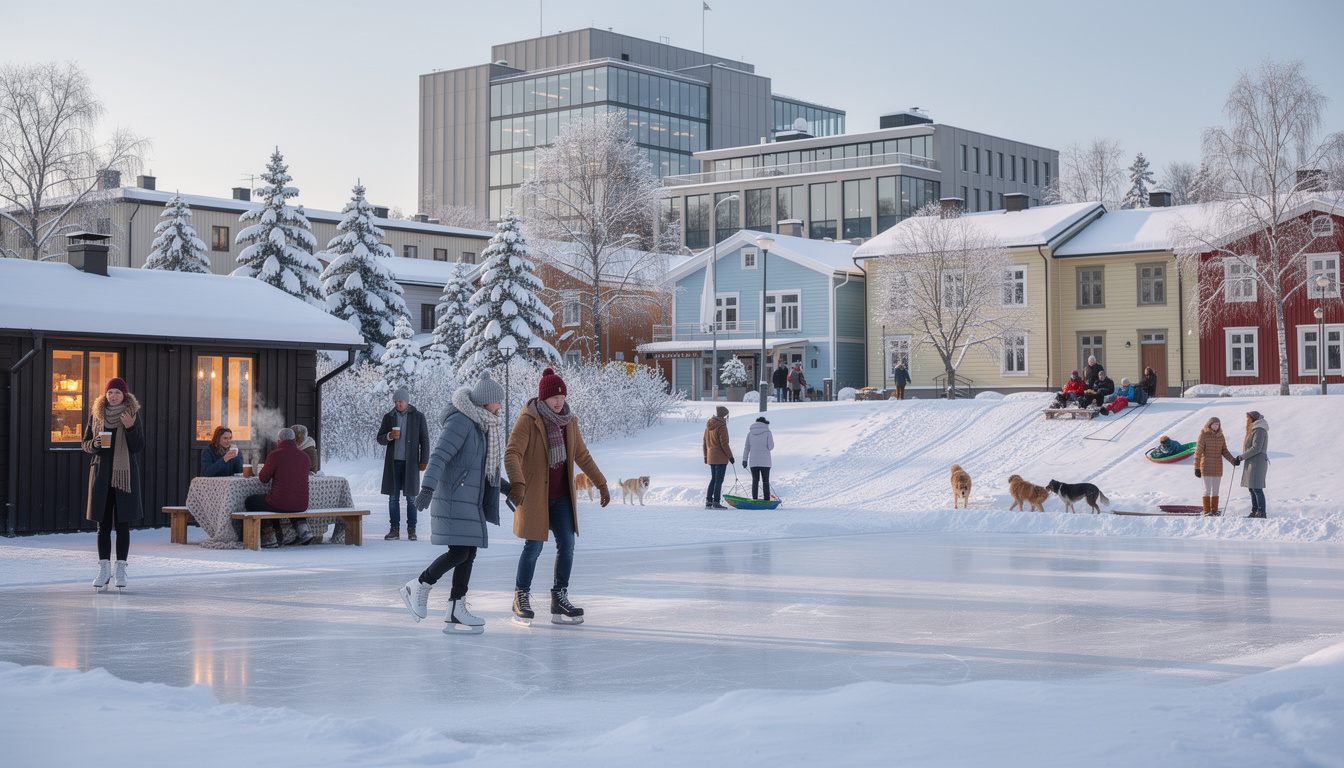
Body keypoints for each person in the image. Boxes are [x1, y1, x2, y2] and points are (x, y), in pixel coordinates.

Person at [401, 373, 509, 634]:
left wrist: (507, 489)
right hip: (453, 497)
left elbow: (482, 470)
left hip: (467, 500)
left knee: (468, 552)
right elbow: (439, 455)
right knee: (460, 552)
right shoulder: (462, 421)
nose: (500, 407)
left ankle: (455, 607)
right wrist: (427, 488)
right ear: (486, 402)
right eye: (498, 402)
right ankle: (418, 585)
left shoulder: (482, 427)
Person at [504, 367, 609, 625]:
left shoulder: (569, 422)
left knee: (568, 545)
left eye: (562, 396)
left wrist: (601, 483)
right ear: (544, 398)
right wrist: (517, 482)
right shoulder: (529, 420)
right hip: (535, 496)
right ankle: (521, 596)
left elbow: (582, 455)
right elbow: (512, 453)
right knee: (533, 547)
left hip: (561, 497)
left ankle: (559, 597)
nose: (559, 401)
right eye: (554, 397)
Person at [83, 377, 144, 589]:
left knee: (123, 525)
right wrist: (95, 443)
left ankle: (120, 570)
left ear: (124, 395)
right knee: (103, 526)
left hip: (124, 476)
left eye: (118, 392)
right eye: (110, 392)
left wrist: (130, 428)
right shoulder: (96, 415)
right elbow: (85, 444)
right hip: (101, 475)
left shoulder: (132, 415)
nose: (114, 396)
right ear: (105, 395)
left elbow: (138, 446)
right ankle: (103, 570)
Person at [378, 387, 430, 541]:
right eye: (396, 401)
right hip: (393, 464)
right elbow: (380, 438)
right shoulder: (389, 417)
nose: (398, 404)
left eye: (400, 401)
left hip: (411, 464)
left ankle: (411, 529)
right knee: (393, 498)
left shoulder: (418, 417)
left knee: (411, 498)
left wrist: (424, 460)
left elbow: (424, 440)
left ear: (407, 401)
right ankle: (394, 529)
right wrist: (389, 436)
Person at [246, 428, 313, 547]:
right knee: (291, 500)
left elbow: (263, 478)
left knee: (251, 501)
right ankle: (303, 531)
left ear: (279, 441)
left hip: (280, 502)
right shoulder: (305, 457)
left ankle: (269, 536)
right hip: (302, 504)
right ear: (294, 440)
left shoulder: (275, 455)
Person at [1193, 416, 1239, 516]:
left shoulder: (1220, 436)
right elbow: (1198, 452)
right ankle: (1207, 511)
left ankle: (1214, 510)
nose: (1216, 426)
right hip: (1206, 467)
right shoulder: (1203, 435)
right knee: (1207, 491)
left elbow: (1224, 451)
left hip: (1217, 467)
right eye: (1214, 424)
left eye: (1217, 424)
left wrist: (1233, 461)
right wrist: (1196, 468)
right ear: (1210, 425)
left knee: (1216, 491)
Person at [1238, 411, 1270, 519]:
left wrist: (1242, 457)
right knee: (1252, 488)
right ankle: (1254, 510)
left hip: (1257, 462)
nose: (1247, 420)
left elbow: (1256, 448)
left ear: (1254, 419)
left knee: (1257, 488)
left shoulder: (1260, 430)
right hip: (1252, 461)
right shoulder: (1255, 429)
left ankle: (1261, 511)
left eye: (1248, 418)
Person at [702, 405, 733, 509]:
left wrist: (705, 456)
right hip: (720, 457)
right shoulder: (722, 426)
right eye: (726, 415)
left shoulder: (708, 426)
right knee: (719, 480)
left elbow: (704, 442)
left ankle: (708, 500)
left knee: (713, 479)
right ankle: (716, 501)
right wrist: (730, 456)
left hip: (711, 456)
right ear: (723, 415)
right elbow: (724, 443)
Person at [742, 416, 775, 501]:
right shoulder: (768, 432)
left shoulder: (750, 433)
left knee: (755, 480)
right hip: (765, 462)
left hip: (753, 462)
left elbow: (746, 448)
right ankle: (766, 500)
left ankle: (755, 499)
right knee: (765, 481)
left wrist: (744, 460)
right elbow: (771, 447)